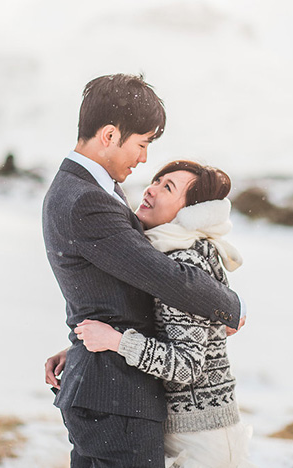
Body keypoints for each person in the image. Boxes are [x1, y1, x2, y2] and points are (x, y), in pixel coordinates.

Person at [42, 73, 244, 468]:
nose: (144, 159)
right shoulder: (85, 199)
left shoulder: (92, 189)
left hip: (110, 388)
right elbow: (162, 277)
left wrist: (79, 347)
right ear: (110, 135)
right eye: (142, 144)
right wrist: (231, 307)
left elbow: (113, 295)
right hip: (117, 397)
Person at [73, 161, 253, 468]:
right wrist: (80, 346)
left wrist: (116, 342)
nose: (151, 189)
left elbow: (187, 366)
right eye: (157, 180)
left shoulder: (185, 262)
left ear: (189, 212)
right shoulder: (170, 254)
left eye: (167, 187)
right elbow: (167, 329)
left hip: (201, 438)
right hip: (193, 430)